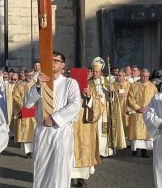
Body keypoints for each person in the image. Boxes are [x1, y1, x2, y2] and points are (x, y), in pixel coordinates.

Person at [23, 51, 81, 188]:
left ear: (63, 66)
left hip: (60, 131)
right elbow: (27, 104)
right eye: (50, 60)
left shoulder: (70, 83)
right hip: (42, 131)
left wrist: (54, 118)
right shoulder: (40, 83)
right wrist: (37, 86)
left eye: (56, 60)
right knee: (41, 168)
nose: (53, 62)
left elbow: (75, 105)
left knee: (59, 169)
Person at [88, 57, 126, 157]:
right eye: (94, 71)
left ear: (101, 72)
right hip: (93, 110)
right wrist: (93, 96)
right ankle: (93, 150)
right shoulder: (89, 82)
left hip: (104, 111)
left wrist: (111, 91)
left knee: (103, 130)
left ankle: (103, 150)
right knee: (94, 130)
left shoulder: (106, 81)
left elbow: (113, 98)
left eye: (97, 71)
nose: (95, 73)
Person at [71, 88, 102, 187]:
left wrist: (89, 97)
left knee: (84, 152)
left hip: (86, 127)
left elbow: (99, 107)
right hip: (70, 125)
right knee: (70, 152)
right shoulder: (68, 87)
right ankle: (69, 177)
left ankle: (81, 178)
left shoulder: (91, 90)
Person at [127, 68, 157, 157]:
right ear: (140, 75)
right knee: (136, 132)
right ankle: (135, 150)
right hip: (137, 113)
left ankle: (144, 151)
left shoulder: (153, 87)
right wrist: (137, 108)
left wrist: (148, 109)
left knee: (146, 132)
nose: (144, 78)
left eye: (146, 76)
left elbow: (156, 100)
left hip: (148, 112)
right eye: (143, 76)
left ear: (149, 76)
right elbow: (130, 98)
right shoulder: (133, 85)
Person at [12, 69, 37, 158]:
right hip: (24, 110)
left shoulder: (37, 84)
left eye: (32, 75)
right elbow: (15, 96)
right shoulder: (20, 84)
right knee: (26, 131)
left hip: (35, 110)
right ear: (25, 75)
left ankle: (35, 150)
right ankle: (28, 151)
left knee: (34, 130)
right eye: (28, 75)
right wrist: (23, 105)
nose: (30, 77)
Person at [5, 72, 19, 136]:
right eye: (12, 79)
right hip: (10, 105)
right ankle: (12, 134)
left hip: (18, 105)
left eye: (15, 79)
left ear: (18, 79)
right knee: (10, 118)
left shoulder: (20, 85)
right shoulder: (7, 85)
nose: (13, 81)